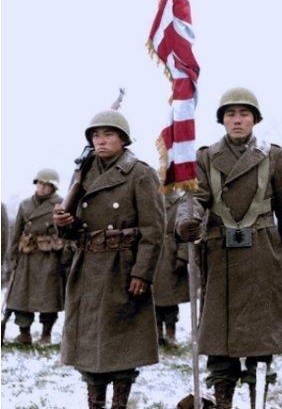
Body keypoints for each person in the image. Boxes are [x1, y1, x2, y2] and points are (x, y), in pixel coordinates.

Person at [175, 87, 282, 408]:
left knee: (260, 344)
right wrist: (187, 220)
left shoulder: (274, 156)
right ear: (222, 120)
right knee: (220, 342)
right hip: (221, 258)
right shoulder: (205, 157)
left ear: (254, 119)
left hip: (263, 255)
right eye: (230, 114)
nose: (237, 120)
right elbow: (196, 197)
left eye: (244, 114)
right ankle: (223, 401)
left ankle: (257, 399)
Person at [53, 109, 164, 409]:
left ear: (123, 140)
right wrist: (63, 223)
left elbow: (154, 230)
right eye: (96, 135)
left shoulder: (140, 173)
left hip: (122, 268)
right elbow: (72, 230)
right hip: (87, 266)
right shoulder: (83, 173)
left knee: (122, 344)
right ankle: (96, 403)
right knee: (90, 344)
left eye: (109, 134)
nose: (101, 141)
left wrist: (142, 272)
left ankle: (119, 404)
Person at [3, 169, 68, 345]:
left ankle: (46, 333)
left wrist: (65, 256)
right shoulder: (25, 205)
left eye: (47, 185)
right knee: (21, 298)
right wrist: (13, 256)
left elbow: (67, 233)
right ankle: (24, 333)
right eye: (40, 183)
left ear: (53, 187)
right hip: (27, 257)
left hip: (50, 258)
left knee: (48, 300)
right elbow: (16, 232)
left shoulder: (61, 204)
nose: (42, 187)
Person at [153, 190, 189, 347]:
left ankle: (170, 333)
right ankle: (157, 333)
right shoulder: (150, 198)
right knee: (153, 300)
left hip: (171, 256)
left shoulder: (179, 202)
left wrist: (182, 256)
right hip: (153, 253)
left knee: (170, 300)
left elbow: (185, 233)